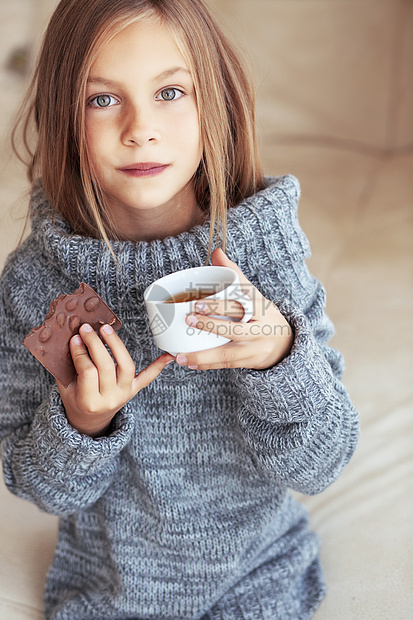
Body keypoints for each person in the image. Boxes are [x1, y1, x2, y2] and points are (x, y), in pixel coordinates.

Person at [0, 0, 359, 618]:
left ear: (213, 105)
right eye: (102, 99)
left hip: (259, 580)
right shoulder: (36, 284)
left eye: (170, 92)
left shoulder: (259, 257)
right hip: (106, 593)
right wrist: (83, 423)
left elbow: (323, 462)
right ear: (64, 116)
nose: (140, 128)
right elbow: (38, 486)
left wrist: (277, 355)